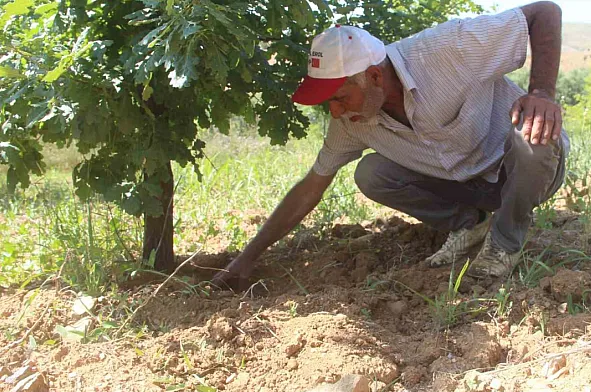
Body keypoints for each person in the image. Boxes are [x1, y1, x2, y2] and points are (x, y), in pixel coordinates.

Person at [212, 1, 570, 290]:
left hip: (523, 173)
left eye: (340, 97)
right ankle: (469, 224)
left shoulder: (449, 49)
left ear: (373, 76)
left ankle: (504, 244)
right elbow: (310, 187)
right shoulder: (350, 121)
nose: (334, 110)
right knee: (371, 173)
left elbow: (544, 13)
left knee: (533, 135)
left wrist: (541, 93)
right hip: (468, 188)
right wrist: (246, 257)